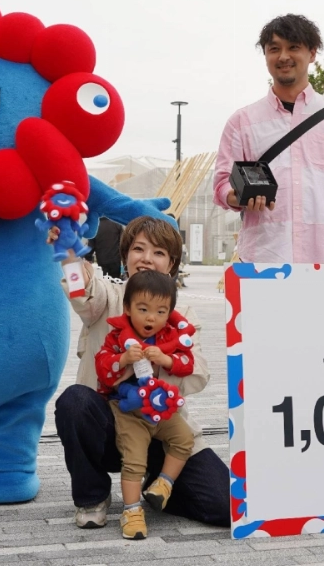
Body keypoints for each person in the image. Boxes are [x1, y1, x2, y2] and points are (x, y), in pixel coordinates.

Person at [53, 216, 228, 532]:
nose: (147, 258)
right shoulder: (107, 298)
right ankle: (93, 497)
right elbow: (82, 292)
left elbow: (199, 375)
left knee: (223, 505)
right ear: (125, 257)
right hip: (111, 428)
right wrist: (67, 250)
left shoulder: (183, 316)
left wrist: (165, 361)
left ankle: (159, 486)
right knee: (74, 401)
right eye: (139, 249)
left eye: (159, 252)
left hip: (162, 429)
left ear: (171, 263)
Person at [212, 14, 324, 266]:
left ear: (312, 53)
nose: (283, 56)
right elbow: (221, 184)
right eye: (274, 49)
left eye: (293, 47)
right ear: (265, 56)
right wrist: (238, 195)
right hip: (262, 263)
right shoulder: (242, 122)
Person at [95, 270, 195, 539]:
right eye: (143, 309)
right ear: (127, 308)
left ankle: (163, 484)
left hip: (161, 409)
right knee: (135, 459)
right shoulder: (117, 338)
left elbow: (188, 364)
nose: (152, 317)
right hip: (130, 411)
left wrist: (166, 359)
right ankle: (131, 510)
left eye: (161, 311)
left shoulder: (169, 337)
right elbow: (103, 368)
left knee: (185, 438)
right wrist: (124, 358)